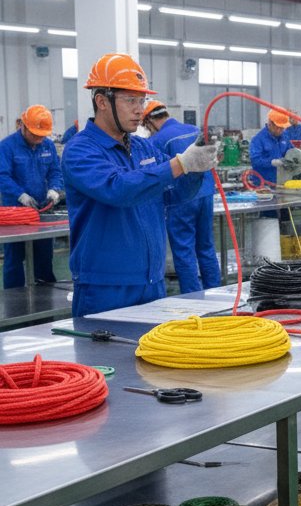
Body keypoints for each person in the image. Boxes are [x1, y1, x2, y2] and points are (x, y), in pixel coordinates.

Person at [61, 53, 217, 318]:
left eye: (142, 100)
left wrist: (194, 170)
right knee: (103, 360)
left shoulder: (145, 146)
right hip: (105, 287)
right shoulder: (80, 150)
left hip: (152, 284)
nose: (139, 109)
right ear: (102, 101)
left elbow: (175, 195)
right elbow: (119, 188)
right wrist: (180, 164)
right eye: (130, 100)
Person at [142, 100, 221, 294]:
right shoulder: (194, 129)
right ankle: (216, 295)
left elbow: (155, 174)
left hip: (180, 200)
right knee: (206, 246)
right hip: (206, 194)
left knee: (184, 251)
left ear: (150, 121)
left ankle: (194, 301)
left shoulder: (157, 140)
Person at [0, 105, 63, 287]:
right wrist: (21, 195)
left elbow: (55, 171)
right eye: (35, 134)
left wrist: (54, 189)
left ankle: (45, 299)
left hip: (41, 211)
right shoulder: (7, 146)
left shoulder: (48, 145)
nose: (38, 139)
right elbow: (2, 175)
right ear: (23, 126)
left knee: (44, 257)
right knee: (14, 259)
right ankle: (15, 304)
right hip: (15, 213)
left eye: (42, 135)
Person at [249, 110, 293, 187]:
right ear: (270, 124)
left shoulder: (284, 137)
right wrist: (272, 162)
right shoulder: (258, 140)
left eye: (282, 128)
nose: (280, 130)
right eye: (278, 127)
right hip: (263, 185)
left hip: (282, 183)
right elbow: (255, 161)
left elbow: (292, 152)